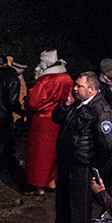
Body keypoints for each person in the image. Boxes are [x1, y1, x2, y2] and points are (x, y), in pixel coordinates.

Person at [45, 72, 112, 223]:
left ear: (92, 89)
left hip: (82, 166)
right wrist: (66, 103)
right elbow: (56, 118)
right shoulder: (77, 103)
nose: (74, 88)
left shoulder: (102, 110)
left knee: (79, 209)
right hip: (67, 162)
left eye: (79, 86)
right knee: (62, 204)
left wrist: (94, 166)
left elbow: (107, 145)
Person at [24, 49, 73, 195]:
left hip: (43, 121)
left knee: (40, 153)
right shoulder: (67, 78)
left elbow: (33, 102)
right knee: (55, 152)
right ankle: (52, 181)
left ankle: (38, 185)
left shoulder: (45, 80)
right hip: (61, 119)